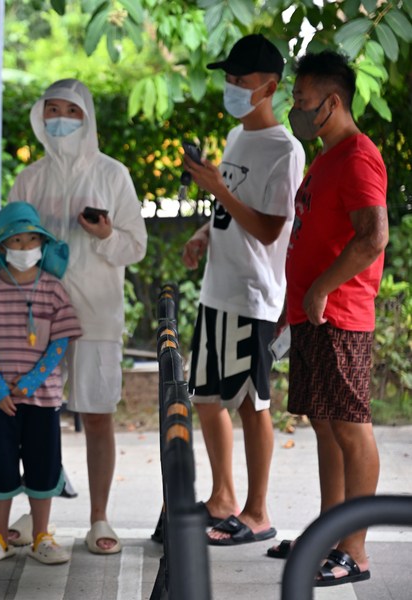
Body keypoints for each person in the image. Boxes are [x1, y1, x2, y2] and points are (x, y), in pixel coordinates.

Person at [0, 79, 147, 554]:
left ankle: (99, 517)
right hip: (28, 322)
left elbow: (136, 246)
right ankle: (38, 513)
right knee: (33, 415)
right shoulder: (30, 178)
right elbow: (7, 238)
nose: (61, 119)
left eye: (71, 110)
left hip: (95, 314)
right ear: (40, 115)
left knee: (96, 415)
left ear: (87, 117)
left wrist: (108, 233)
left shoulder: (113, 176)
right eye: (52, 109)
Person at [179, 34, 305, 546]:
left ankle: (257, 512)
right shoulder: (236, 138)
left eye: (241, 80)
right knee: (207, 398)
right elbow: (231, 212)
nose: (231, 87)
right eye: (228, 78)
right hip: (217, 291)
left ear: (269, 87)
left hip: (254, 296)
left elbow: (274, 229)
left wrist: (218, 187)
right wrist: (203, 234)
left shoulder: (285, 150)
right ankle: (224, 496)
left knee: (253, 403)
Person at [278, 50, 388, 587]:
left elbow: (373, 237)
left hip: (340, 315)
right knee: (325, 425)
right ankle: (329, 532)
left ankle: (356, 549)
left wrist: (321, 288)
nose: (296, 110)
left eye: (302, 102)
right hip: (310, 314)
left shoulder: (358, 156)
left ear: (332, 101)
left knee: (350, 427)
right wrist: (291, 302)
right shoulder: (325, 156)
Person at [0, 202, 82, 565]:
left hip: (42, 400)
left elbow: (61, 342)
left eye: (33, 239)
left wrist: (31, 383)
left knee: (43, 468)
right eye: (17, 240)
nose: (26, 246)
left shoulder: (53, 289)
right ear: (2, 247)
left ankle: (42, 535)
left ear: (43, 244)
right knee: (0, 470)